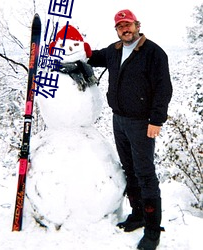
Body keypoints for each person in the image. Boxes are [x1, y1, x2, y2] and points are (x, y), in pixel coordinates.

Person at [88, 9, 172, 250]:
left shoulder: (153, 52)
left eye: (128, 24)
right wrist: (79, 50)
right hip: (119, 120)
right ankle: (138, 214)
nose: (125, 29)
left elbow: (163, 88)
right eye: (120, 26)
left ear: (137, 24)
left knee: (145, 173)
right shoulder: (114, 51)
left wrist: (156, 120)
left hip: (142, 123)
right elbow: (93, 57)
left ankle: (153, 231)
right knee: (130, 169)